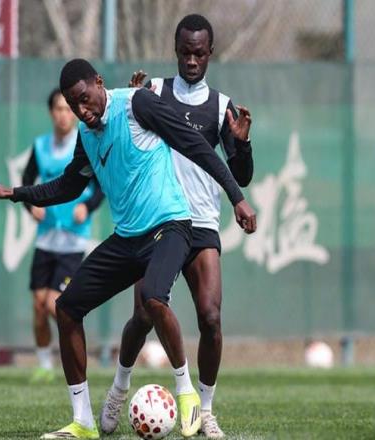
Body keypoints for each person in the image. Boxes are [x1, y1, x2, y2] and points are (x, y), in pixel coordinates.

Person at [0, 58, 257, 439]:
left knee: (154, 298)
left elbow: (195, 146)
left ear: (99, 82)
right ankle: (83, 422)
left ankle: (187, 392)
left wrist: (237, 198)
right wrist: (15, 193)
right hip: (128, 239)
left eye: (84, 98)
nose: (81, 110)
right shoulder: (87, 134)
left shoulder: (136, 103)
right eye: (73, 105)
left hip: (171, 225)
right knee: (67, 308)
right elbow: (69, 185)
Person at [101, 14, 254, 439]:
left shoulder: (221, 107)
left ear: (210, 54)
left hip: (201, 223)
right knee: (142, 315)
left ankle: (205, 410)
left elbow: (241, 175)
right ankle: (117, 390)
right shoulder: (154, 91)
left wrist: (241, 143)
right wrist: (132, 103)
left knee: (211, 317)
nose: (191, 60)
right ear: (175, 50)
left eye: (199, 53)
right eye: (185, 52)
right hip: (159, 220)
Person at [22, 88, 104, 383]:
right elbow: (26, 180)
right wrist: (30, 206)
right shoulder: (40, 146)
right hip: (46, 239)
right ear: (51, 113)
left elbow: (101, 186)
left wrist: (86, 206)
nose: (63, 115)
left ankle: (77, 347)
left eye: (68, 109)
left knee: (54, 303)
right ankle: (45, 365)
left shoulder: (85, 143)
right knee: (38, 305)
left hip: (73, 240)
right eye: (58, 109)